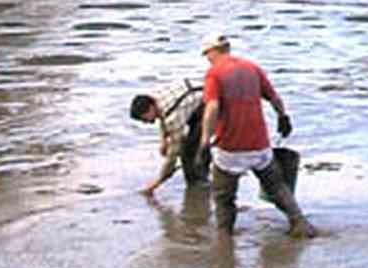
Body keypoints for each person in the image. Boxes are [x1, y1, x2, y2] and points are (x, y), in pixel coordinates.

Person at [199, 31, 314, 236]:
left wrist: (204, 141)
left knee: (223, 196)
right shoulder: (252, 68)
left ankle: (224, 237)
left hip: (230, 147)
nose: (207, 59)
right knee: (277, 186)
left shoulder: (214, 74)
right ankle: (299, 222)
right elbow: (274, 98)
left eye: (207, 54)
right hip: (260, 144)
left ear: (213, 51)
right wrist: (283, 117)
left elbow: (213, 107)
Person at [130, 77, 210, 195]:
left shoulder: (173, 117)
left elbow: (172, 157)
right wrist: (163, 140)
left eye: (144, 118)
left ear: (150, 107)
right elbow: (162, 115)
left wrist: (155, 184)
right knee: (191, 143)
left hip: (209, 104)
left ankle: (199, 185)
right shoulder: (155, 96)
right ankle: (201, 169)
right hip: (196, 96)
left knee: (187, 152)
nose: (145, 123)